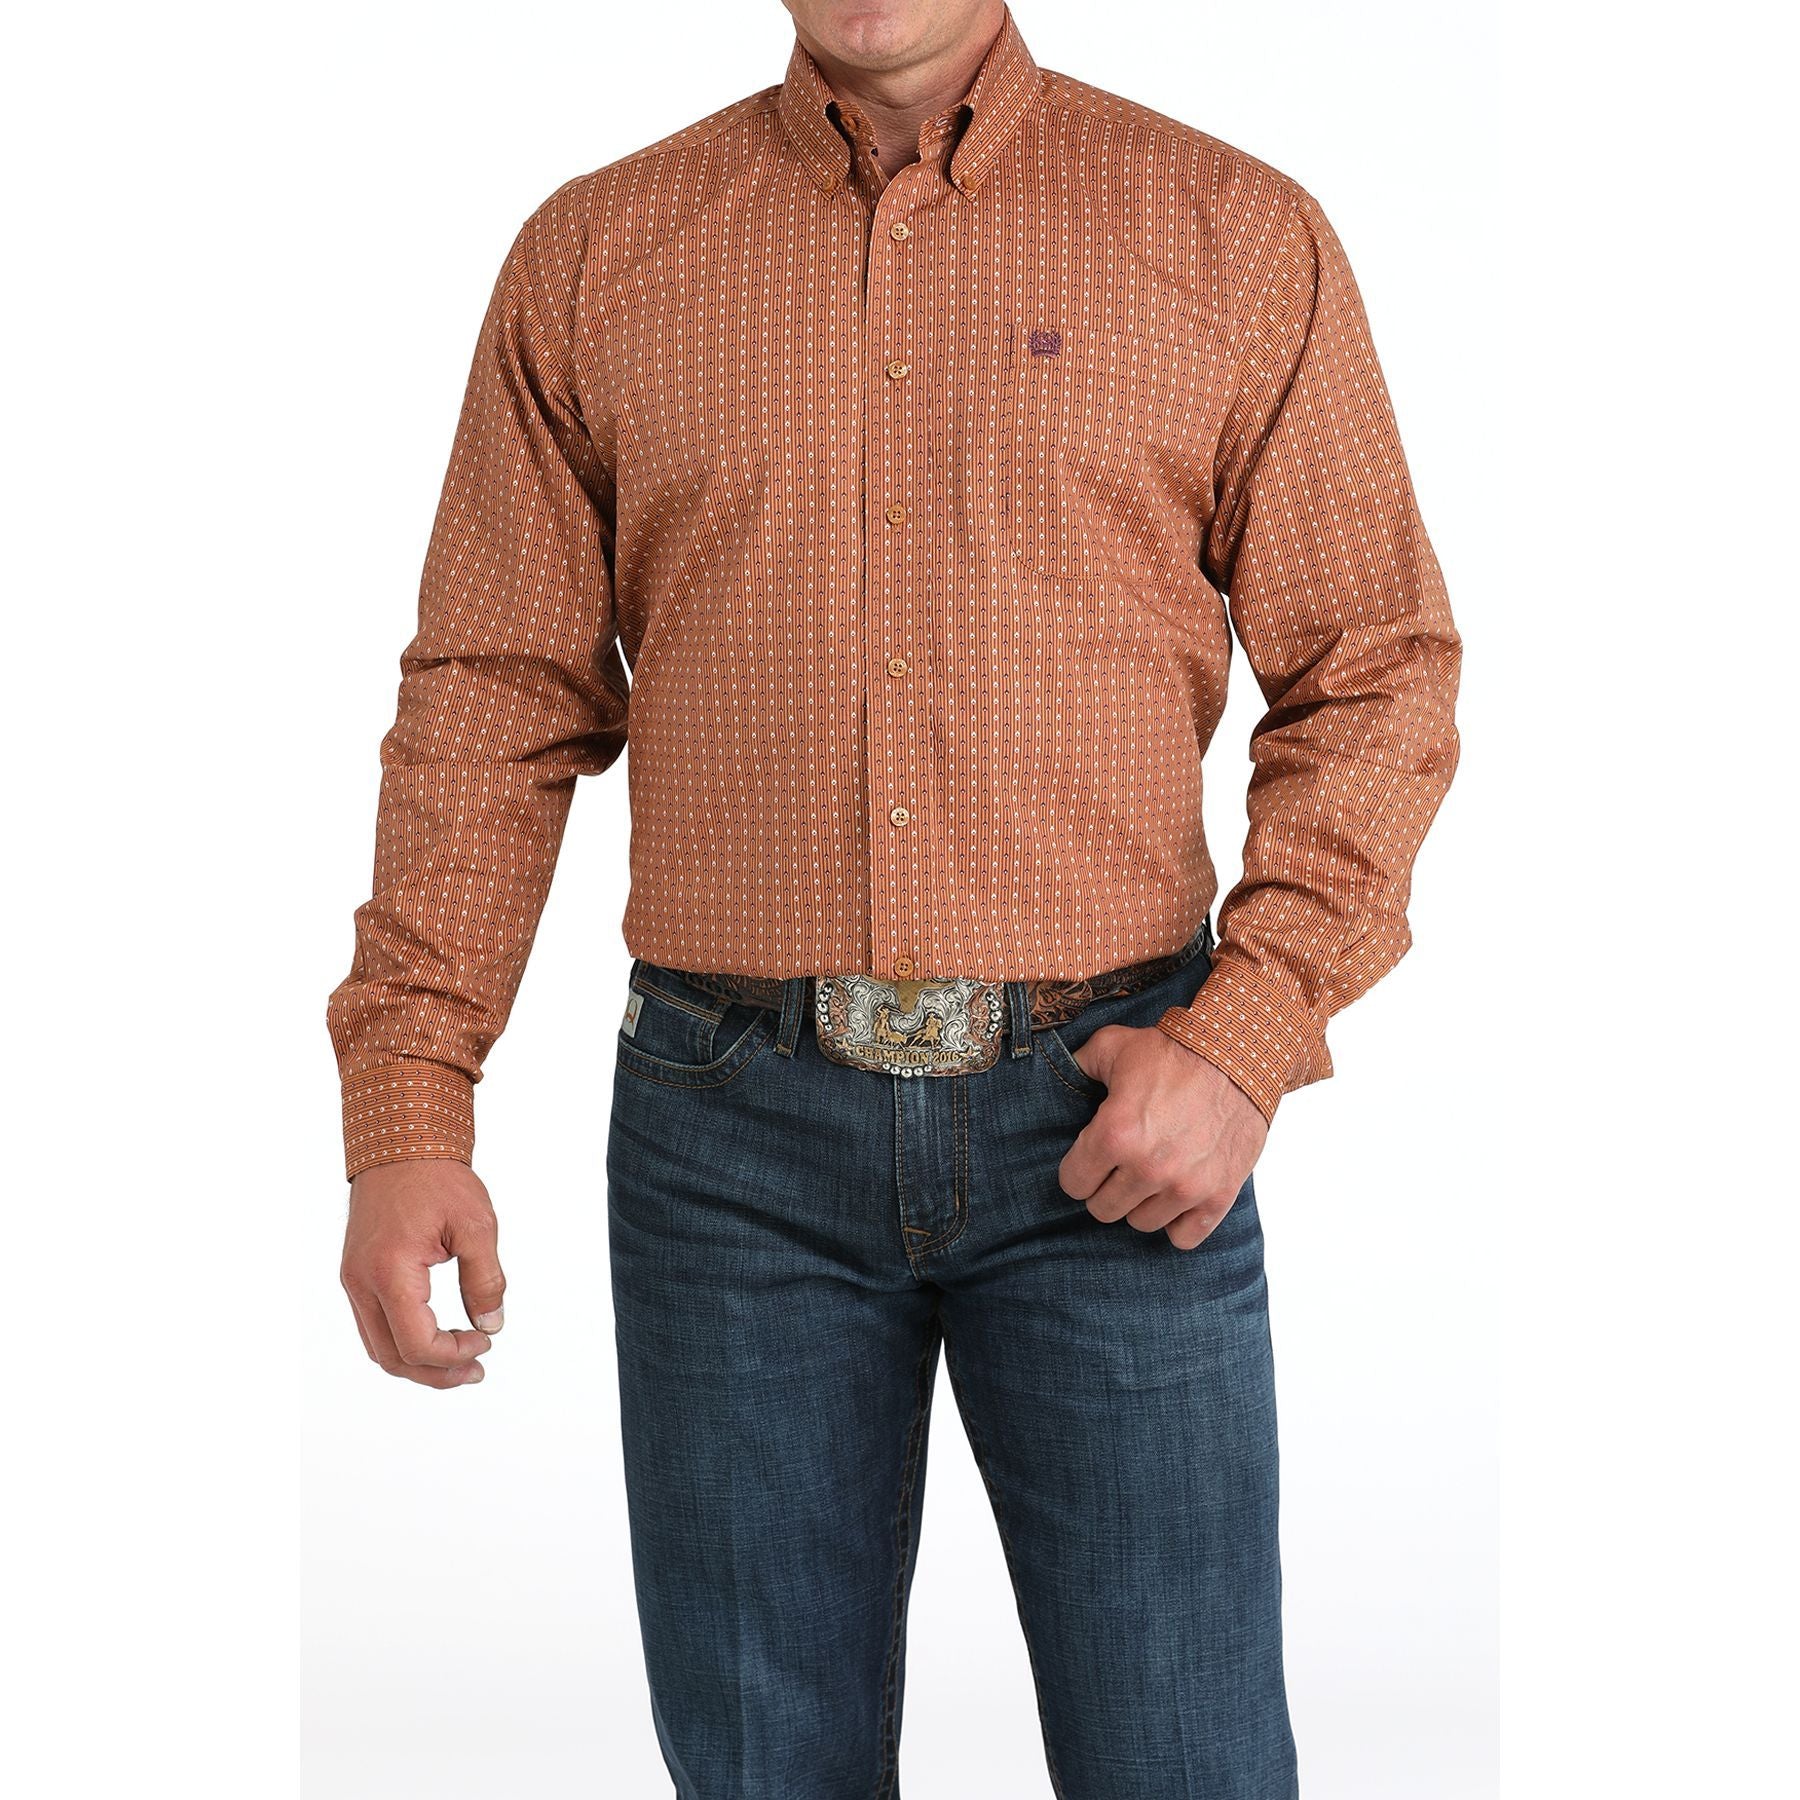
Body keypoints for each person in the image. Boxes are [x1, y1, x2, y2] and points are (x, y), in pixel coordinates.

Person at [326, 1, 1462, 1792]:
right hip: (727, 1152)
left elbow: (1377, 673)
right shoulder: (598, 255)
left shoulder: (1231, 233)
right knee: (760, 1771)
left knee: (1187, 1760)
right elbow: (492, 698)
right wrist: (408, 1101)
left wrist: (1244, 1039)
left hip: (1113, 1126)